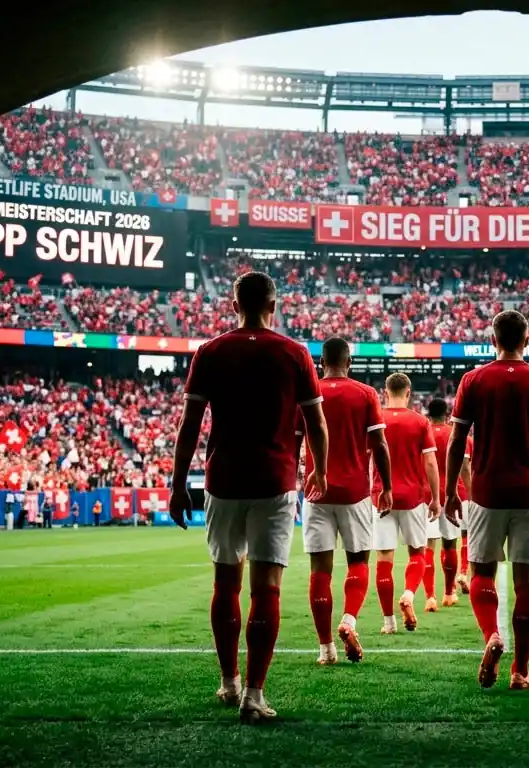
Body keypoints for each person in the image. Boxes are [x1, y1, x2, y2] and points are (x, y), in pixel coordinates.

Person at [169, 271, 328, 724]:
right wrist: (322, 467)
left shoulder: (211, 351)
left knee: (225, 582)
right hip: (275, 480)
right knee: (266, 587)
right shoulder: (294, 353)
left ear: (234, 303)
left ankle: (229, 681)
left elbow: (189, 425)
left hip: (223, 479)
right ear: (273, 304)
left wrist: (179, 483)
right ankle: (254, 695)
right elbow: (316, 424)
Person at [443, 310, 529, 690]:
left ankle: (492, 637)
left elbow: (455, 442)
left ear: (494, 339)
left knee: (482, 572)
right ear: (527, 340)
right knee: (526, 583)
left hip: (485, 492)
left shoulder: (474, 381)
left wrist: (450, 490)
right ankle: (520, 670)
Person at [299, 337, 390, 665]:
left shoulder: (308, 394)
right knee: (358, 562)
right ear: (349, 362)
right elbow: (379, 444)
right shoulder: (365, 394)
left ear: (321, 363)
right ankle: (349, 620)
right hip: (355, 493)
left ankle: (325, 650)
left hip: (316, 491)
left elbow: (294, 441)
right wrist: (387, 487)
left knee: (319, 571)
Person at [373, 373, 440, 633]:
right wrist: (435, 497)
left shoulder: (376, 419)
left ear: (385, 392)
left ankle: (388, 622)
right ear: (409, 393)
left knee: (384, 558)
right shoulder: (421, 422)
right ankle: (410, 594)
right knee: (417, 553)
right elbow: (431, 463)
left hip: (381, 497)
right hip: (413, 497)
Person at [425, 398, 471, 609]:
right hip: (453, 494)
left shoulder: (423, 431)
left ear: (428, 412)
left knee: (427, 546)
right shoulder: (456, 434)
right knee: (450, 543)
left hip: (427, 495)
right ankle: (448, 593)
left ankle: (429, 596)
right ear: (447, 413)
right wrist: (471, 492)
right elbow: (464, 467)